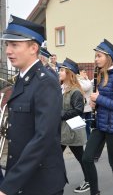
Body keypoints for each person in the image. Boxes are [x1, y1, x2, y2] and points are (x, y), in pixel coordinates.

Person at [0, 15, 67, 195]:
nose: (8, 51)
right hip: (24, 178)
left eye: (15, 45)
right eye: (7, 44)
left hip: (41, 183)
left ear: (33, 48)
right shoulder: (22, 78)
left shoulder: (46, 82)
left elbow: (42, 138)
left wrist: (9, 184)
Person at [82, 39, 113, 195]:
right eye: (95, 56)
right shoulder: (102, 74)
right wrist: (96, 103)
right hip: (101, 124)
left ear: (108, 57)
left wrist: (99, 99)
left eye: (98, 56)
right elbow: (102, 98)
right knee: (87, 158)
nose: (95, 59)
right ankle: (94, 192)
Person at [59, 58, 89, 193]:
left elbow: (78, 110)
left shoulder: (75, 91)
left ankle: (89, 180)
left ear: (69, 73)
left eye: (61, 70)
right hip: (63, 130)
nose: (59, 72)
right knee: (55, 156)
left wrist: (59, 114)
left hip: (73, 130)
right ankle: (55, 180)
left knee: (81, 157)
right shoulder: (61, 87)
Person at [77, 66, 93, 139]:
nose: (85, 73)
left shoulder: (85, 80)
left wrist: (87, 80)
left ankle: (88, 137)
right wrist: (88, 80)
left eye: (85, 72)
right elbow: (86, 87)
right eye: (84, 72)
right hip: (83, 106)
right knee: (82, 123)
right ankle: (83, 137)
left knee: (88, 123)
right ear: (79, 72)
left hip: (88, 106)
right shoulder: (78, 80)